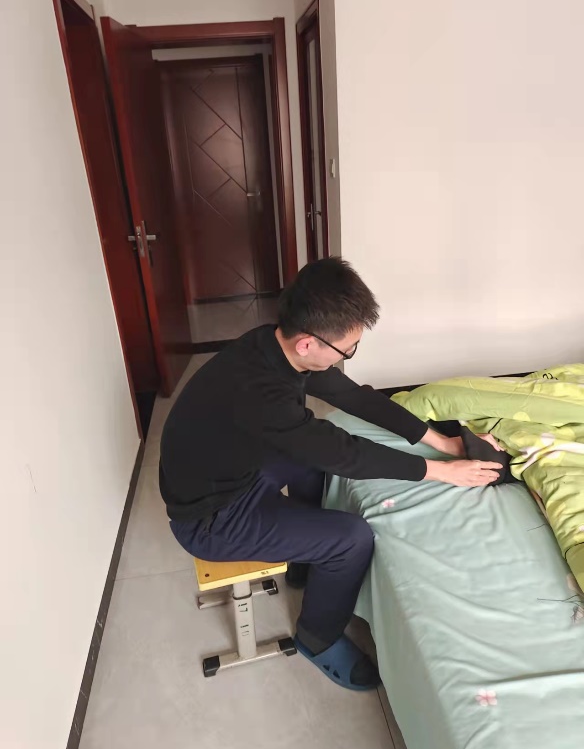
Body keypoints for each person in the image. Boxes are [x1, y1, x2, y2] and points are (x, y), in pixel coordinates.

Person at [159, 259, 502, 691]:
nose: (348, 356)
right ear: (308, 343)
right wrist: (442, 472)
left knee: (310, 460)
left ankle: (302, 564)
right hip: (209, 518)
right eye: (347, 349)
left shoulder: (272, 344)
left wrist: (442, 441)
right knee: (352, 539)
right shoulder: (262, 393)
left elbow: (355, 398)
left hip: (229, 472)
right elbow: (345, 454)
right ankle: (316, 638)